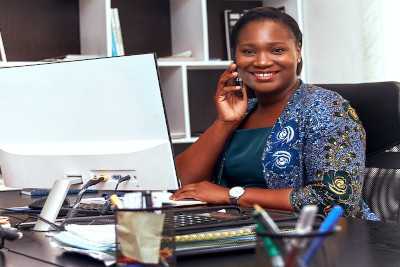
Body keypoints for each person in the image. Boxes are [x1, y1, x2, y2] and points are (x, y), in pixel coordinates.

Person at [172, 7, 377, 220]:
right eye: (249, 51)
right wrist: (225, 122)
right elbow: (179, 184)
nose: (262, 61)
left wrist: (231, 195)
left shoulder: (326, 108)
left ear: (297, 52)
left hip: (318, 240)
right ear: (235, 57)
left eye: (277, 50)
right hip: (241, 233)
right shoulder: (243, 111)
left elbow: (336, 201)